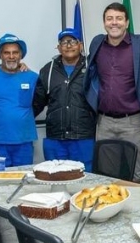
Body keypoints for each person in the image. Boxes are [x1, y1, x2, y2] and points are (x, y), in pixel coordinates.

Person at [85, 2, 140, 182]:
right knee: (107, 175)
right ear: (104, 23)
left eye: (119, 18)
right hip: (104, 123)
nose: (114, 23)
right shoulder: (96, 43)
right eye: (109, 19)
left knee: (138, 176)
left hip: (133, 121)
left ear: (127, 22)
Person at [33, 28, 96, 170]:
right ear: (58, 47)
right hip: (55, 139)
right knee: (55, 181)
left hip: (83, 138)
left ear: (80, 45)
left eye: (73, 41)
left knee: (84, 181)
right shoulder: (47, 70)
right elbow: (37, 103)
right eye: (64, 42)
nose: (68, 45)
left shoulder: (92, 68)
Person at [0, 33, 39, 167]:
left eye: (15, 52)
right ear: (0, 55)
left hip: (24, 141)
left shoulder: (32, 77)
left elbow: (39, 102)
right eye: (6, 53)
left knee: (23, 181)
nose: (11, 56)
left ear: (21, 55)